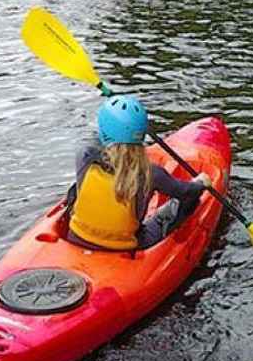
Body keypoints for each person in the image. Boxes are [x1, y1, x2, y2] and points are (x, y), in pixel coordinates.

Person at [64, 95, 211, 251]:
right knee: (189, 200)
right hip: (125, 247)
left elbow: (95, 142)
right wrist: (200, 183)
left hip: (77, 236)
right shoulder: (151, 173)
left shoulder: (85, 156)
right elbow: (186, 192)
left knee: (76, 190)